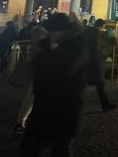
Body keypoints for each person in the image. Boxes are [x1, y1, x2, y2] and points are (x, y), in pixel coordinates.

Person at [22, 13, 87, 156]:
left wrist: (50, 50)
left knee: (59, 147)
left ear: (63, 31)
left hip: (65, 105)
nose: (50, 34)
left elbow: (64, 72)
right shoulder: (51, 45)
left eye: (53, 31)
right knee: (35, 145)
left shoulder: (75, 48)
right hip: (45, 103)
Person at [83, 19, 116, 111]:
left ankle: (105, 104)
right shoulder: (96, 34)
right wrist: (106, 53)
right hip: (96, 62)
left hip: (90, 61)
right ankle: (105, 104)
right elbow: (97, 48)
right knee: (100, 83)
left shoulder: (89, 32)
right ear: (101, 26)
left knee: (91, 83)